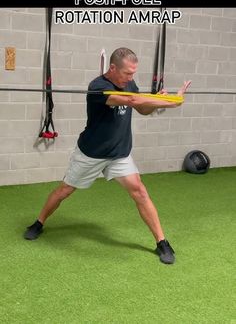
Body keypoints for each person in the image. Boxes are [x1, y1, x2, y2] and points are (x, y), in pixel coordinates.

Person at [24, 47, 191, 265]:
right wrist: (174, 101)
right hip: (91, 152)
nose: (131, 78)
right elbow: (132, 102)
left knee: (140, 191)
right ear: (112, 68)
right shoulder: (98, 87)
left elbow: (142, 109)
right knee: (64, 190)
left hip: (119, 153)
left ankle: (162, 241)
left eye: (133, 73)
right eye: (127, 73)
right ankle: (38, 222)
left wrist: (154, 101)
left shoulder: (129, 85)